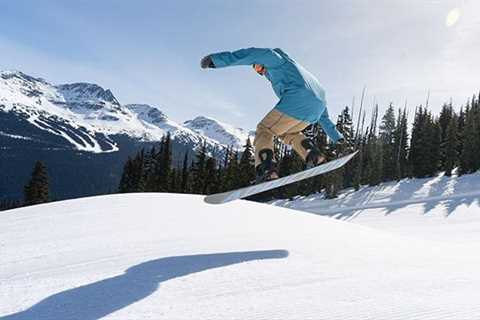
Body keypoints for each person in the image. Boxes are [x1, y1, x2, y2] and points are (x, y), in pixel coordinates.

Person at [201, 47, 346, 183]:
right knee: (289, 132)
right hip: (316, 106)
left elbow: (250, 54)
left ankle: (267, 170)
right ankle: (314, 156)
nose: (259, 71)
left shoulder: (275, 59)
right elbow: (324, 117)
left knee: (265, 129)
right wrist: (338, 139)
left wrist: (216, 60)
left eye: (257, 66)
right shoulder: (299, 73)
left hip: (297, 99)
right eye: (256, 70)